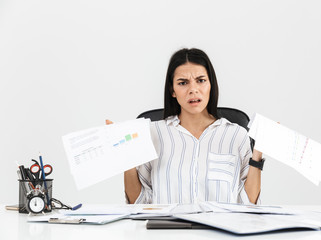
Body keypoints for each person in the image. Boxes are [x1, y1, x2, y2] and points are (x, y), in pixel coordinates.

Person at [107, 48, 263, 205]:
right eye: (183, 83)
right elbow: (139, 203)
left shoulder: (236, 135)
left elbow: (247, 204)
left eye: (201, 80)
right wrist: (126, 157)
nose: (193, 90)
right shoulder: (152, 134)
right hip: (167, 228)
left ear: (211, 85)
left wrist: (258, 153)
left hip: (220, 228)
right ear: (172, 90)